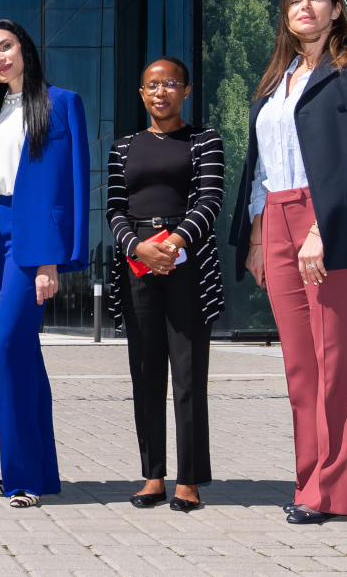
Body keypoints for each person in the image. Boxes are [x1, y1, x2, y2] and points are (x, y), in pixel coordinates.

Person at [229, 0, 347, 525]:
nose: (304, 7)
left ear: (336, 9)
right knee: (300, 368)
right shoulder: (276, 81)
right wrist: (257, 234)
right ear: (286, 14)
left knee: (334, 361)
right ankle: (309, 481)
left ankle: (335, 492)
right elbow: (263, 165)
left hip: (330, 222)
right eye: (295, 0)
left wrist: (323, 230)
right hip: (275, 219)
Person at [0, 19, 88, 509]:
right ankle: (41, 472)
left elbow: (68, 184)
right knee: (24, 353)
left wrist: (50, 258)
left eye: (5, 46)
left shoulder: (61, 103)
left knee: (10, 344)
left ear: (25, 47)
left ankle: (21, 478)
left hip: (30, 238)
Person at [104, 56, 224, 513]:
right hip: (137, 265)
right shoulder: (123, 148)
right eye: (152, 85)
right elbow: (114, 209)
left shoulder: (204, 140)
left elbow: (210, 200)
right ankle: (153, 475)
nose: (161, 91)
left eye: (171, 83)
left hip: (187, 264)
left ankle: (189, 479)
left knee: (188, 376)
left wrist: (171, 244)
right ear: (142, 94)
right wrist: (138, 248)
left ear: (186, 91)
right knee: (146, 373)